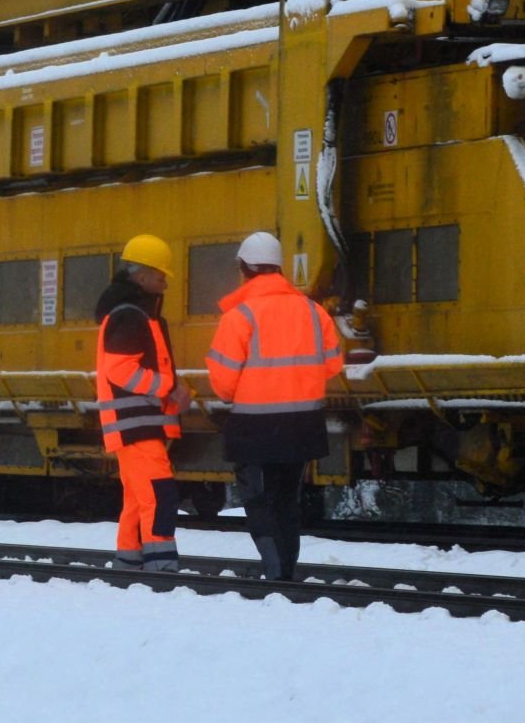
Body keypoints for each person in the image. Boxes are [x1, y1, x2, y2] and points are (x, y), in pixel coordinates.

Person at [204, 231, 343, 581]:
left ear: (245, 269)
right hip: (303, 423)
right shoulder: (313, 312)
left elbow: (222, 381)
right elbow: (332, 365)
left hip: (254, 426)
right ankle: (286, 570)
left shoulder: (240, 316)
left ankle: (275, 571)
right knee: (287, 500)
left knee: (257, 500)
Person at [93, 234, 187, 572]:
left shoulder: (138, 315)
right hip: (137, 426)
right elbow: (120, 369)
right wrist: (167, 389)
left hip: (138, 426)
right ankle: (161, 566)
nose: (165, 283)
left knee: (137, 499)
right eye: (161, 275)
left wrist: (171, 389)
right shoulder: (131, 316)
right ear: (142, 275)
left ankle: (129, 561)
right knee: (159, 494)